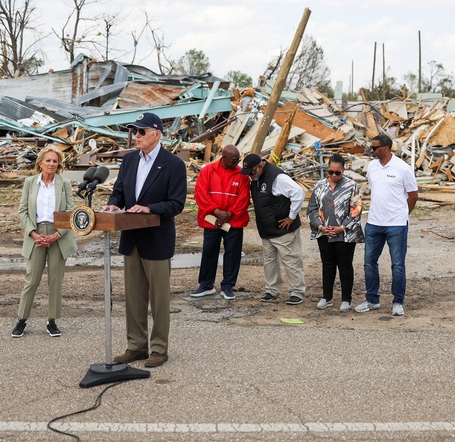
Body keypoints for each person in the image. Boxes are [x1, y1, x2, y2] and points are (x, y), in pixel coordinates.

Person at [102, 112, 187, 368]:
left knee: (158, 299)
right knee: (134, 297)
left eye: (141, 132)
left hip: (157, 239)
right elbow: (118, 193)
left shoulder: (173, 164)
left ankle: (159, 349)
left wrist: (150, 208)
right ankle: (136, 346)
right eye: (134, 132)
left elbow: (177, 203)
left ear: (157, 134)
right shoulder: (129, 161)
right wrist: (114, 206)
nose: (136, 136)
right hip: (132, 238)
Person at [11, 146, 78, 338]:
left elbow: (71, 212)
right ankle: (22, 320)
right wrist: (33, 233)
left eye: (55, 161)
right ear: (40, 163)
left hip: (59, 235)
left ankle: (52, 321)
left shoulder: (64, 183)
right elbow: (23, 211)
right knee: (31, 280)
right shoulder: (30, 182)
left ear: (59, 165)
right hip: (36, 234)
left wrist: (57, 235)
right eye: (48, 160)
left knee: (55, 281)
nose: (51, 164)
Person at [355, 134, 418, 316]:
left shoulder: (403, 169)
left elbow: (413, 196)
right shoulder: (372, 167)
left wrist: (402, 215)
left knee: (397, 264)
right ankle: (372, 300)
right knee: (369, 262)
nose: (371, 151)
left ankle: (398, 302)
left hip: (396, 225)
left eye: (374, 148)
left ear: (386, 147)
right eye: (371, 147)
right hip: (374, 223)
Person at [240, 153, 306, 305]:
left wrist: (291, 216)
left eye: (252, 171)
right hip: (266, 229)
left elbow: (298, 193)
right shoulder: (256, 178)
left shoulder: (278, 178)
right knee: (269, 261)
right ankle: (272, 289)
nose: (250, 175)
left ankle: (297, 291)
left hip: (283, 228)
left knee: (291, 260)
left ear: (260, 166)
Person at [190, 144, 251, 300]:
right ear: (223, 157)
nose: (236, 164)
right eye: (233, 160)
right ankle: (206, 285)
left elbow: (243, 198)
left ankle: (228, 286)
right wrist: (216, 212)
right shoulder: (208, 171)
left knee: (233, 253)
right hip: (212, 220)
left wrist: (229, 213)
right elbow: (201, 194)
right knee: (210, 251)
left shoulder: (242, 175)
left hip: (233, 222)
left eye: (238, 160)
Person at [307, 154, 364, 312]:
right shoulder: (319, 186)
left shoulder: (352, 186)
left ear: (343, 170)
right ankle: (327, 297)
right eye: (330, 171)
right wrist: (320, 226)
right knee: (327, 264)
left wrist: (342, 227)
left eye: (337, 172)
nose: (333, 175)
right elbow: (312, 209)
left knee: (345, 265)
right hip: (324, 232)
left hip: (345, 233)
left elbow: (356, 209)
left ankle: (346, 299)